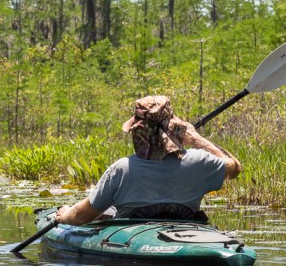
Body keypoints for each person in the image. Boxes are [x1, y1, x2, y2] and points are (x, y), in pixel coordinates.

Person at [55, 95, 241, 226]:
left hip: (132, 239)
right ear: (175, 128)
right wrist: (196, 139)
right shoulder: (200, 161)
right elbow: (235, 168)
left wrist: (64, 216)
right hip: (186, 233)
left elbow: (81, 217)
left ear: (138, 130)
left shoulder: (121, 169)